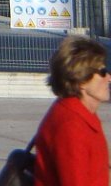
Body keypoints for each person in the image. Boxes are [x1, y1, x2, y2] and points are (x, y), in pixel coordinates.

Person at [31, 34, 110, 186]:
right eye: (102, 72)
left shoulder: (82, 114)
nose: (108, 78)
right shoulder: (71, 126)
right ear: (81, 79)